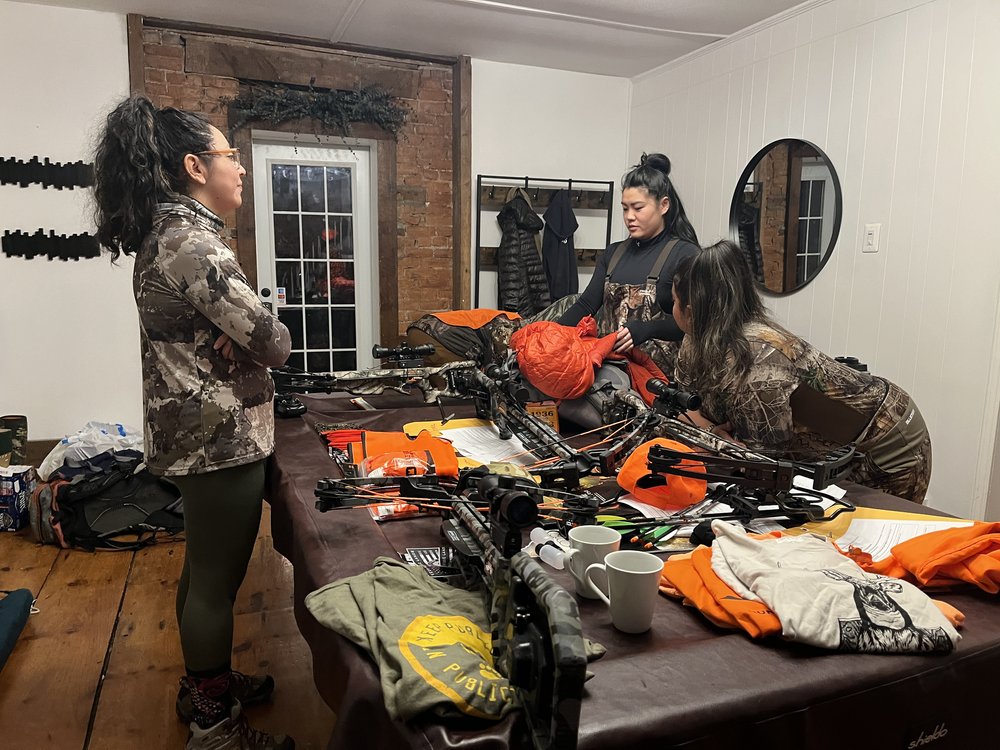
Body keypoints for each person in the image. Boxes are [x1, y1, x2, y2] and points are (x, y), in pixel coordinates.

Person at [93, 95, 294, 749]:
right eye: (230, 155)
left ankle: (204, 683)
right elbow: (272, 340)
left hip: (198, 433)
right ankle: (214, 728)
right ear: (194, 166)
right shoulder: (191, 242)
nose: (238, 167)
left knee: (201, 573)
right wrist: (258, 332)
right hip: (217, 440)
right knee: (216, 581)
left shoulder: (169, 234)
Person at [670, 240, 931, 504]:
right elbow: (684, 409)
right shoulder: (697, 340)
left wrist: (725, 443)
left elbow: (764, 467)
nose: (672, 309)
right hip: (831, 452)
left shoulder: (760, 366)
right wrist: (716, 433)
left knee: (866, 534)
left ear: (690, 312)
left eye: (674, 301)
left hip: (887, 443)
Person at [555, 152, 700, 376]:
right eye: (625, 208)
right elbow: (585, 306)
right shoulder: (613, 253)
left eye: (638, 208)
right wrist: (550, 334)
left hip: (660, 381)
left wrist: (648, 329)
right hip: (612, 374)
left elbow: (696, 322)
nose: (629, 216)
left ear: (663, 205)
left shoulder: (685, 254)